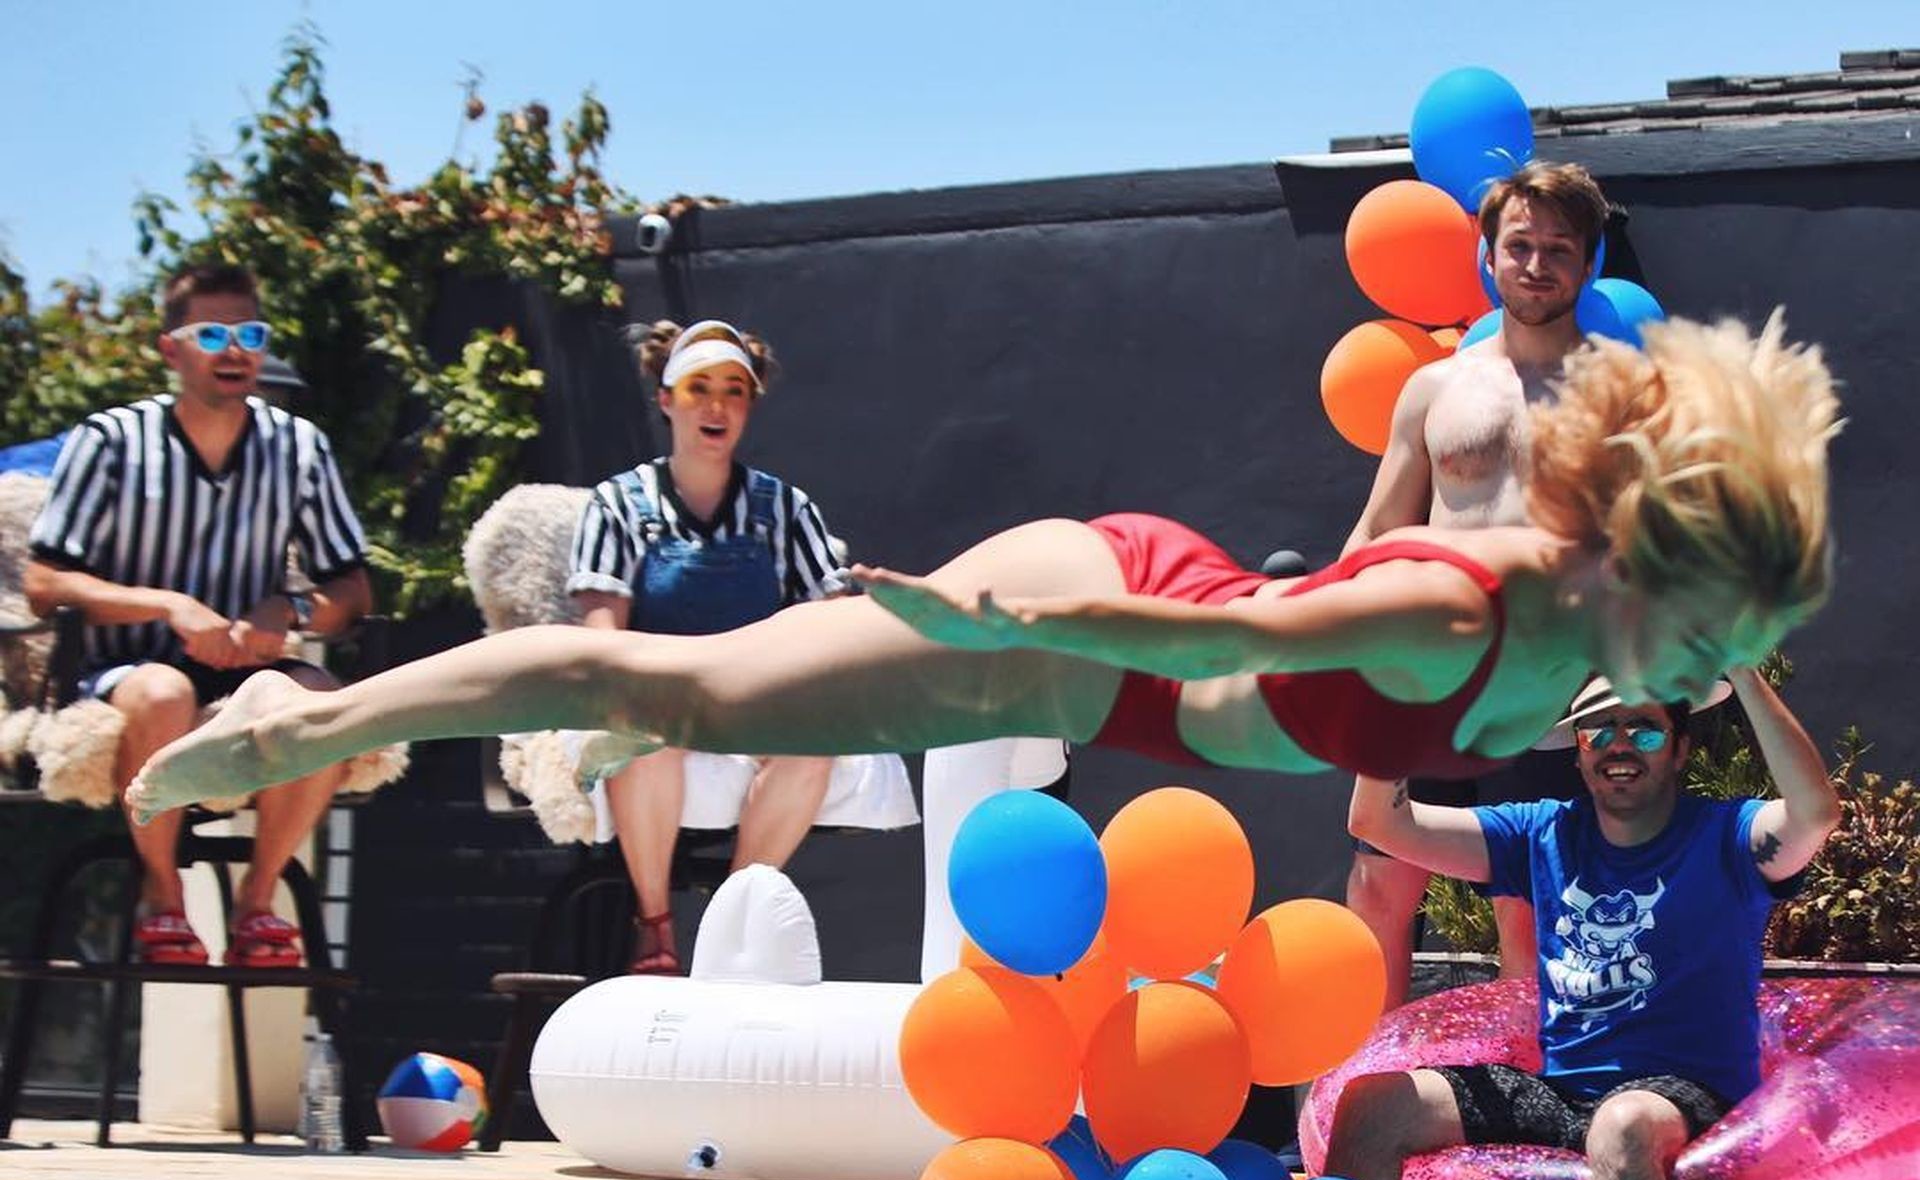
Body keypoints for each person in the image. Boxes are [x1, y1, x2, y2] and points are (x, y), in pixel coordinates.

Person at [126, 311, 1837, 832]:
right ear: (1649, 562)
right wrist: (1008, 615)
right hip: (1084, 631)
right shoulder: (1459, 605)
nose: (1708, 681)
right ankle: (300, 719)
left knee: (702, 703)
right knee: (672, 681)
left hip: (1116, 672)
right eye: (1718, 638)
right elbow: (1207, 636)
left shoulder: (1607, 645)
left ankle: (565, 725)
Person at [1331, 667, 1843, 1180]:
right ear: (1577, 752)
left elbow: (1815, 813)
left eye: (1645, 730)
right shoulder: (1540, 832)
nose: (1619, 743)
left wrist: (1742, 673)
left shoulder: (1729, 837)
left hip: (1685, 1095)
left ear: (1680, 749)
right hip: (1562, 1094)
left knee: (1622, 1125)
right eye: (1599, 729)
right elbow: (1378, 821)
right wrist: (1398, 695)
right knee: (1372, 1105)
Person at [25, 262, 371, 966]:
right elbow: (43, 582)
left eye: (251, 335)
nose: (234, 350)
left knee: (322, 700)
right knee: (165, 691)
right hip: (123, 669)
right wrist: (171, 608)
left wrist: (288, 608)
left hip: (246, 672)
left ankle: (258, 904)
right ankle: (164, 897)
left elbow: (352, 592)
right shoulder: (111, 439)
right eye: (211, 334)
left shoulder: (299, 447)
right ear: (171, 349)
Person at [1344, 162, 1607, 1006]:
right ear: (1487, 258)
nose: (1536, 264)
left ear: (1588, 261)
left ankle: (1522, 1079)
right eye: (1519, 245)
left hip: (1544, 696)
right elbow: (1381, 529)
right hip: (1429, 681)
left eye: (1558, 248)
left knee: (1525, 912)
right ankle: (1372, 1073)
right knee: (1380, 888)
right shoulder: (1434, 389)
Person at [569, 318, 845, 974]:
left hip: (753, 700)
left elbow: (832, 624)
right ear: (666, 400)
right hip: (656, 695)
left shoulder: (786, 509)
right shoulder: (617, 504)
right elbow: (602, 633)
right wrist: (651, 695)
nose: (716, 406)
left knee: (813, 747)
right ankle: (655, 927)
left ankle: (733, 923)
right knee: (644, 739)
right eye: (698, 388)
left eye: (733, 390)